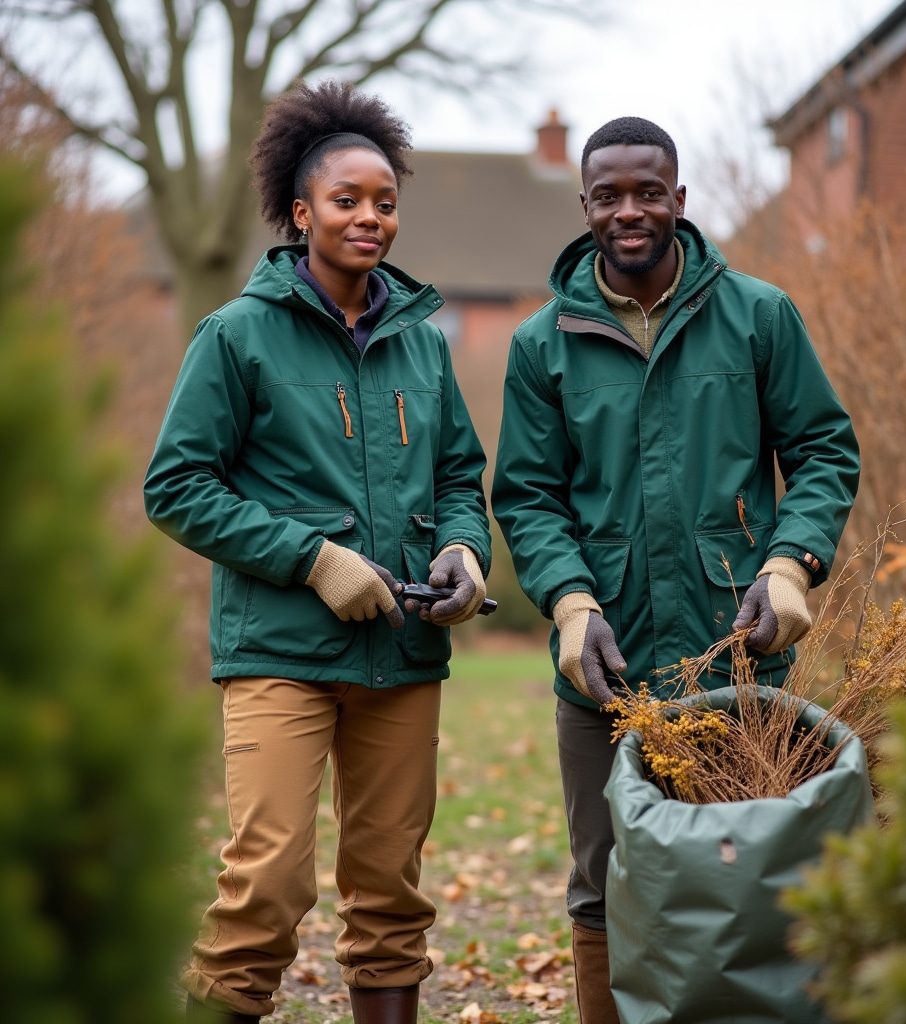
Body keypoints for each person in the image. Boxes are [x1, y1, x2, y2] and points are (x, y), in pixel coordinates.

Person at [491, 116, 859, 1024]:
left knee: (747, 879)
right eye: (609, 195)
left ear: (679, 200)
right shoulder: (543, 344)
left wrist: (789, 566)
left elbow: (821, 451)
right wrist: (572, 604)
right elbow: (528, 496)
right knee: (601, 881)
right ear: (584, 208)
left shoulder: (759, 316)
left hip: (737, 660)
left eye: (648, 191)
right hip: (602, 672)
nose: (629, 210)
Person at [144, 80, 490, 1024]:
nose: (370, 218)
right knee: (268, 881)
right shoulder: (236, 336)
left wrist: (464, 550)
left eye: (385, 202)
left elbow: (460, 471)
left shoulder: (423, 342)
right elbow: (174, 488)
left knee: (389, 891)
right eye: (348, 200)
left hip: (405, 655)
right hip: (280, 655)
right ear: (301, 214)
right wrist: (313, 559)